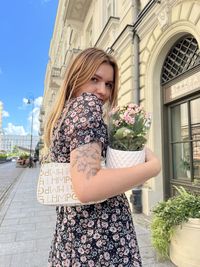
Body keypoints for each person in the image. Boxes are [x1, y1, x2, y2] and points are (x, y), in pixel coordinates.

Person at [44, 47, 161, 267]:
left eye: (108, 84)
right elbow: (88, 186)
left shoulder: (66, 112)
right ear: (75, 78)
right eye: (94, 79)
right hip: (100, 243)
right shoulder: (87, 106)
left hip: (73, 240)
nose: (102, 91)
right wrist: (153, 167)